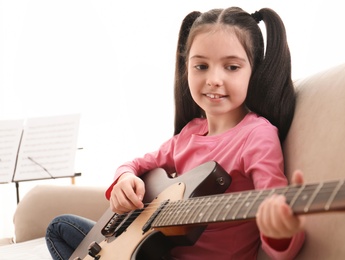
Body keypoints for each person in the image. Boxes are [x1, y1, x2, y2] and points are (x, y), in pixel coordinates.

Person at [46, 6, 305, 260]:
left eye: (232, 67)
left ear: (255, 71)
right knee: (59, 228)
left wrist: (280, 230)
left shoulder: (257, 135)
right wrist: (124, 179)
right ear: (186, 69)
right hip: (152, 252)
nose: (214, 79)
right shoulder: (189, 132)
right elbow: (135, 164)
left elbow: (277, 215)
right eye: (201, 66)